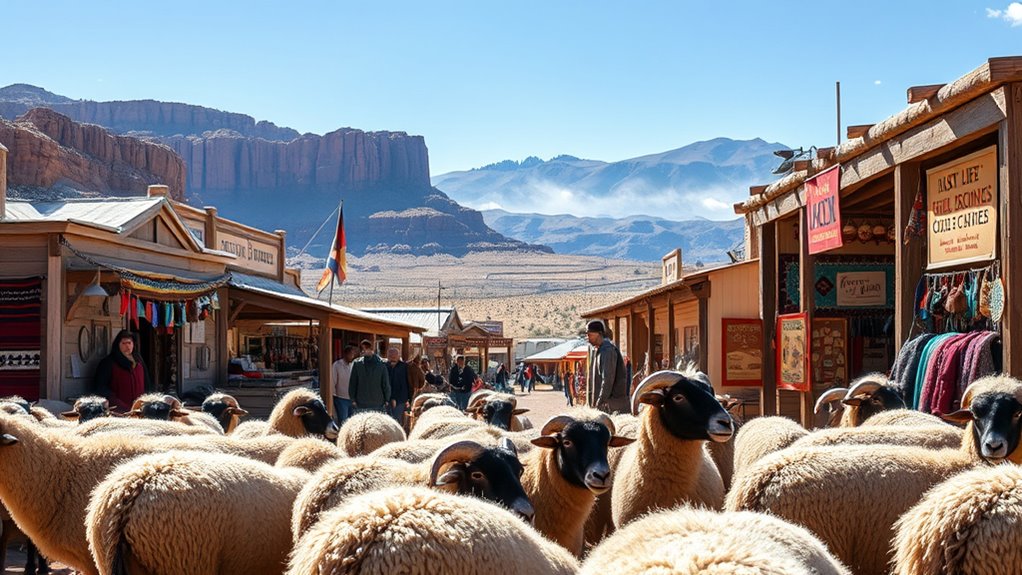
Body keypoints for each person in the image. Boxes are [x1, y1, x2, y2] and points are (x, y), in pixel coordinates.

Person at [93, 329, 150, 410]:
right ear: (118, 345)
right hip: (118, 411)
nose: (127, 346)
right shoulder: (108, 363)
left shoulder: (139, 362)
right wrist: (116, 403)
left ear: (133, 344)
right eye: (123, 343)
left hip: (139, 411)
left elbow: (147, 385)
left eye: (129, 343)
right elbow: (101, 387)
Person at [586, 320, 628, 413]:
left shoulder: (608, 350)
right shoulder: (599, 350)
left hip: (611, 406)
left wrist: (600, 401)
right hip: (603, 406)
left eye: (589, 335)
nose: (588, 338)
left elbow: (607, 379)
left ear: (598, 334)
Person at [348, 340, 390, 413]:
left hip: (378, 403)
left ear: (371, 349)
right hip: (361, 402)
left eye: (366, 348)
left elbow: (385, 383)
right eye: (362, 349)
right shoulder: (357, 364)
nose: (363, 351)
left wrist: (387, 399)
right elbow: (353, 382)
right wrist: (353, 399)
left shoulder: (382, 364)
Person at [330, 344, 357, 425]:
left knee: (352, 422)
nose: (352, 356)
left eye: (353, 354)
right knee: (343, 421)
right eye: (350, 354)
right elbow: (333, 381)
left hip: (352, 399)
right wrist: (333, 396)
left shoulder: (353, 365)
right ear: (345, 354)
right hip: (341, 399)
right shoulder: (337, 365)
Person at [385, 347, 410, 424]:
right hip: (386, 400)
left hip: (400, 400)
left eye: (394, 356)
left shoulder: (405, 367)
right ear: (387, 356)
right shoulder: (384, 366)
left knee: (397, 421)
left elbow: (407, 383)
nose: (392, 358)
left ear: (399, 356)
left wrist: (409, 399)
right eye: (390, 356)